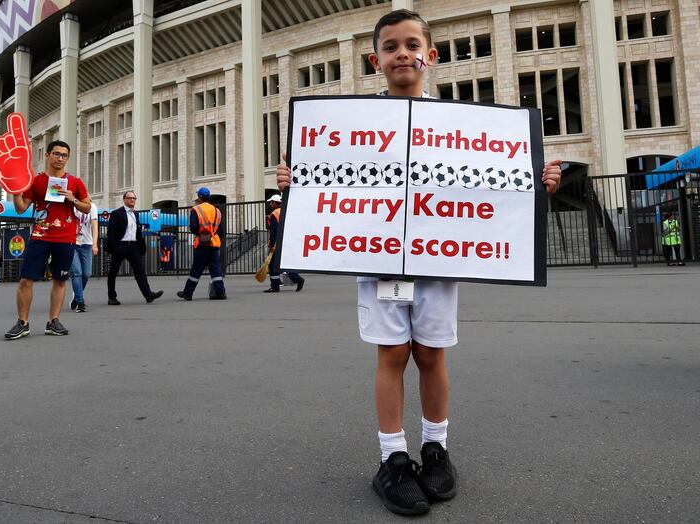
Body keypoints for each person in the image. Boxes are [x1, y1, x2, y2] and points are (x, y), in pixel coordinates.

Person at [276, 9, 562, 516]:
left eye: (412, 44)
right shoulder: (351, 126)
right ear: (376, 60)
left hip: (437, 259)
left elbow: (491, 184)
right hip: (378, 258)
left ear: (430, 57)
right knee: (392, 354)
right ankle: (393, 459)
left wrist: (534, 184)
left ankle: (435, 449)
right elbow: (330, 182)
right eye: (391, 46)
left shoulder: (461, 126)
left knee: (431, 354)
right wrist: (296, 183)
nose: (402, 53)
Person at [4, 140, 92, 340]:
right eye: (56, 154)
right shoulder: (36, 181)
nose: (60, 158)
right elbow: (20, 208)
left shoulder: (75, 182)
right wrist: (15, 189)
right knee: (26, 279)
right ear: (47, 155)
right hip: (40, 236)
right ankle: (23, 323)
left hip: (66, 238)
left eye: (64, 155)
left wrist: (73, 199)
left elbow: (87, 207)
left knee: (60, 280)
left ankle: (54, 321)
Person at [106, 191, 163, 305]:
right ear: (124, 199)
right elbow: (111, 232)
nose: (132, 200)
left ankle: (148, 294)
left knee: (140, 270)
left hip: (133, 246)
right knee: (113, 272)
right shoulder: (117, 213)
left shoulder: (135, 214)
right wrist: (114, 247)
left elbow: (136, 231)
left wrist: (140, 245)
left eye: (134, 198)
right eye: (130, 198)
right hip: (120, 246)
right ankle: (112, 297)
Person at [177, 187, 227, 300]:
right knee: (216, 269)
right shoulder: (217, 211)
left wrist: (201, 234)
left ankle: (188, 293)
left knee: (196, 269)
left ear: (199, 197)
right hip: (214, 243)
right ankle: (220, 292)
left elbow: (194, 227)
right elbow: (221, 229)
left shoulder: (196, 209)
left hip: (202, 244)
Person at [264, 194, 304, 293]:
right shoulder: (287, 211)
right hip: (287, 241)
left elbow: (274, 231)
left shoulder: (274, 214)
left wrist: (272, 245)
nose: (270, 204)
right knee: (283, 263)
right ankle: (296, 279)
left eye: (271, 202)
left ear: (274, 203)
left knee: (273, 265)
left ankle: (275, 286)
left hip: (277, 243)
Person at [70, 201, 99, 312]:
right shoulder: (71, 206)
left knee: (86, 274)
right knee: (77, 273)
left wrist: (95, 244)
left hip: (86, 243)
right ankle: (80, 302)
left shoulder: (92, 207)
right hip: (71, 243)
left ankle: (76, 296)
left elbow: (95, 227)